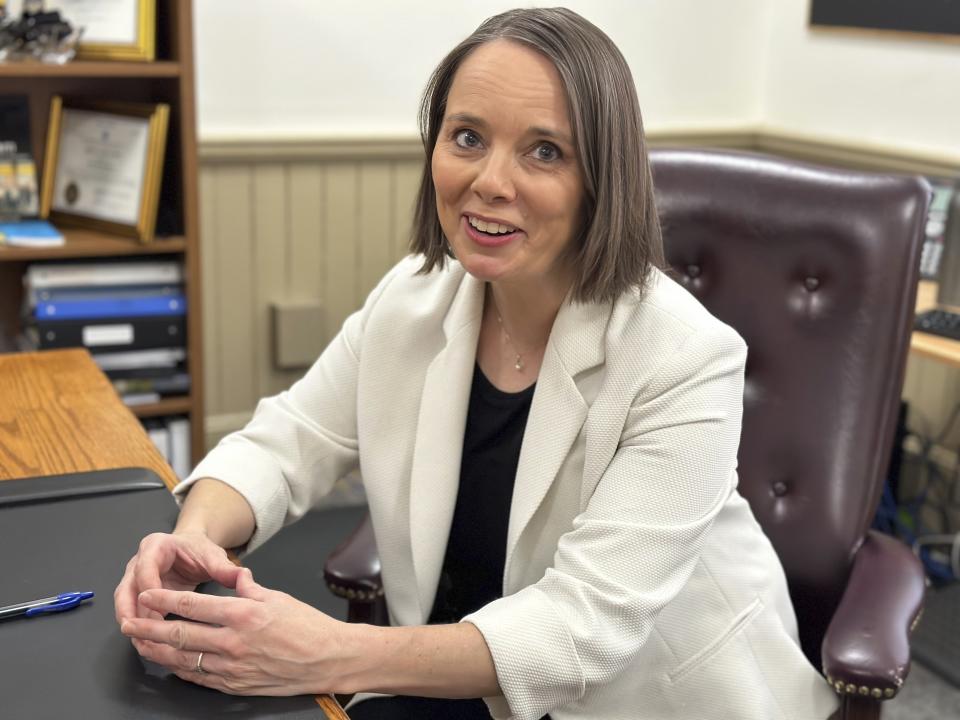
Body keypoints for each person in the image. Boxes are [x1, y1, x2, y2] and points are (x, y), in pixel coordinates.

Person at [114, 8, 839, 720]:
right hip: (462, 677)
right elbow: (288, 441)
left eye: (545, 151)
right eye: (467, 137)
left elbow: (578, 630)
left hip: (648, 699)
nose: (491, 181)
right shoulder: (412, 300)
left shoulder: (686, 358)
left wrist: (329, 650)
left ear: (603, 180)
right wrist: (195, 536)